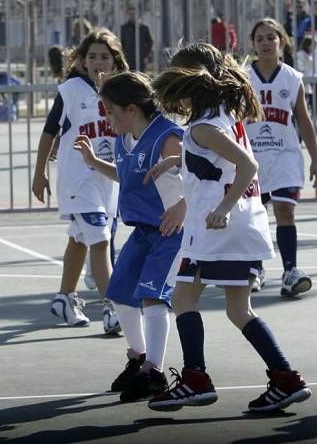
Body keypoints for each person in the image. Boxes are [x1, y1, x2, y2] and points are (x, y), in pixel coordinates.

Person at [145, 42, 311, 413]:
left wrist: (222, 206)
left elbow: (248, 165)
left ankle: (195, 378)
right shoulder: (225, 114)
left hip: (216, 229)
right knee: (240, 311)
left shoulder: (203, 127)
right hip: (245, 229)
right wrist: (175, 160)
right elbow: (214, 159)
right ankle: (286, 378)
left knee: (184, 298)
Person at [74, 71, 184, 402]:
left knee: (153, 297)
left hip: (170, 231)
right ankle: (138, 358)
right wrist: (94, 162)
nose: (106, 118)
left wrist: (183, 206)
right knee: (119, 292)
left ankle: (154, 371)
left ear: (132, 109)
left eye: (110, 110)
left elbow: (201, 176)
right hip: (141, 231)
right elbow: (125, 174)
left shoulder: (167, 137)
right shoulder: (125, 139)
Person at [31, 29, 128, 334]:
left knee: (80, 238)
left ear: (115, 61)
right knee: (100, 242)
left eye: (105, 56)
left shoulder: (122, 92)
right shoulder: (71, 90)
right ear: (82, 61)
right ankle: (112, 308)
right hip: (78, 178)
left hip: (108, 179)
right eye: (92, 56)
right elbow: (49, 132)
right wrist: (39, 172)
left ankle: (64, 297)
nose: (98, 62)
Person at [244, 18, 317, 296]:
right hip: (251, 157)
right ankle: (256, 270)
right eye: (260, 38)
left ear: (282, 42)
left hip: (285, 155)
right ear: (253, 44)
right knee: (255, 215)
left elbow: (304, 119)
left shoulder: (292, 78)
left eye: (271, 38)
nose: (265, 43)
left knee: (285, 211)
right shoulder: (243, 78)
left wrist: (315, 158)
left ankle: (290, 271)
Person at [120, 6, 153, 72]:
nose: (132, 16)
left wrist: (145, 54)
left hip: (140, 58)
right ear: (128, 15)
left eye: (134, 14)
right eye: (130, 14)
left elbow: (150, 42)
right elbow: (120, 43)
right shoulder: (123, 28)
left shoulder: (143, 28)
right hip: (128, 59)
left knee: (140, 76)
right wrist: (123, 55)